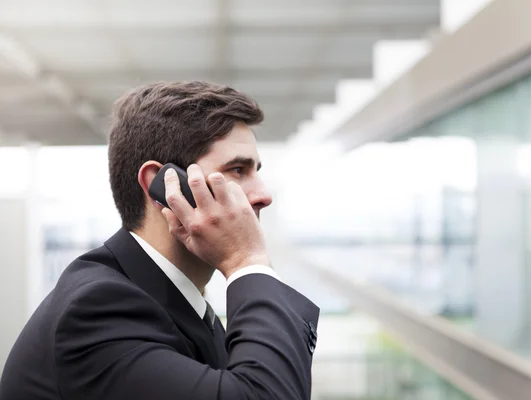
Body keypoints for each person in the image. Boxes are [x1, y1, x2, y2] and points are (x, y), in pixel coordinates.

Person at [0, 81, 319, 400]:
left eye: (256, 171)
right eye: (237, 170)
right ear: (164, 186)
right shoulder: (98, 309)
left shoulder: (175, 303)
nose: (263, 195)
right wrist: (246, 262)